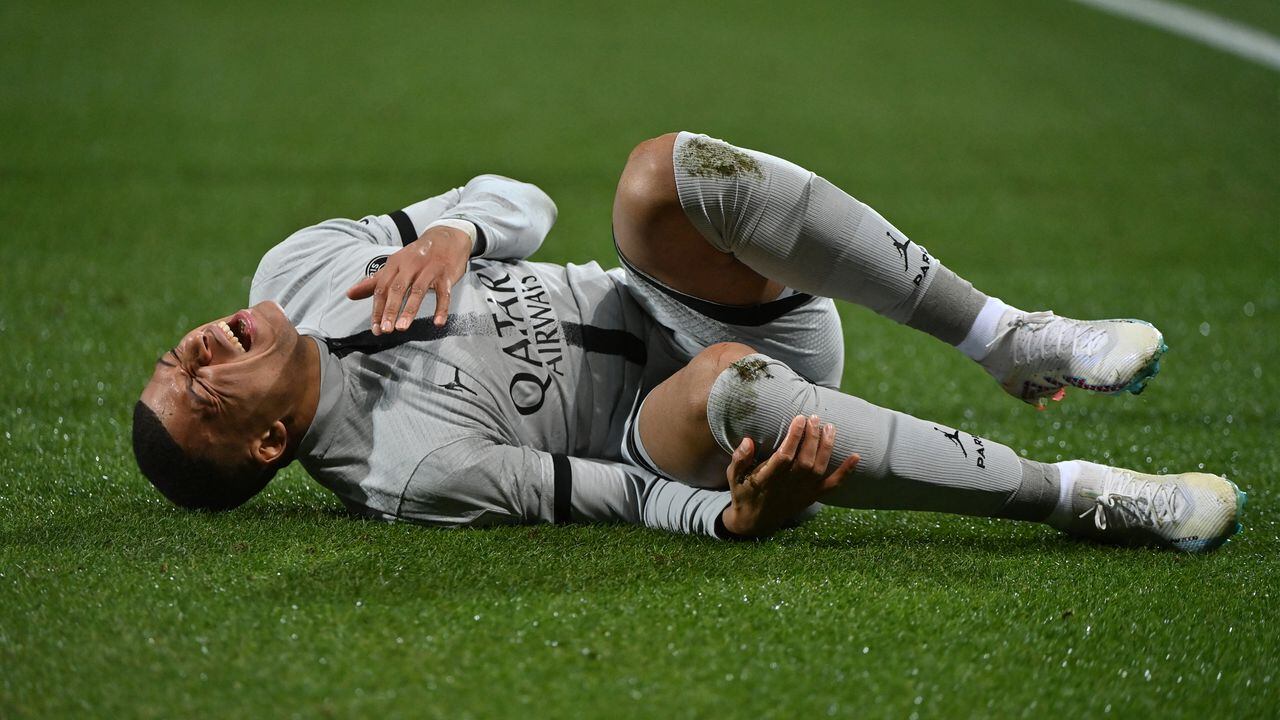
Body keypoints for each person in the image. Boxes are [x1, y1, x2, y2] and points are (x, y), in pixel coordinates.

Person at [133, 132, 1245, 551]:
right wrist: (727, 513)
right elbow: (595, 491)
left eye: (177, 360)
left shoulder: (295, 269)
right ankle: (1084, 495)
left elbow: (519, 197)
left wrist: (457, 228)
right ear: (273, 441)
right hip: (678, 430)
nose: (192, 353)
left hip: (702, 305)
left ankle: (1009, 338)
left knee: (658, 174)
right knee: (724, 386)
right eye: (203, 389)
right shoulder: (402, 469)